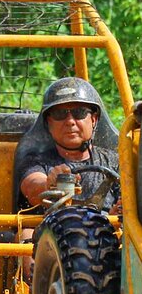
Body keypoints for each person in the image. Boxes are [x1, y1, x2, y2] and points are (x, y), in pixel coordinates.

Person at [17, 77, 120, 278]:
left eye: (80, 112)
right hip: (51, 240)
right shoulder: (36, 161)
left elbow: (130, 199)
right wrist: (49, 183)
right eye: (60, 114)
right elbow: (32, 187)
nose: (70, 121)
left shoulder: (115, 161)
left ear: (94, 119)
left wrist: (121, 210)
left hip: (107, 240)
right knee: (26, 234)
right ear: (48, 122)